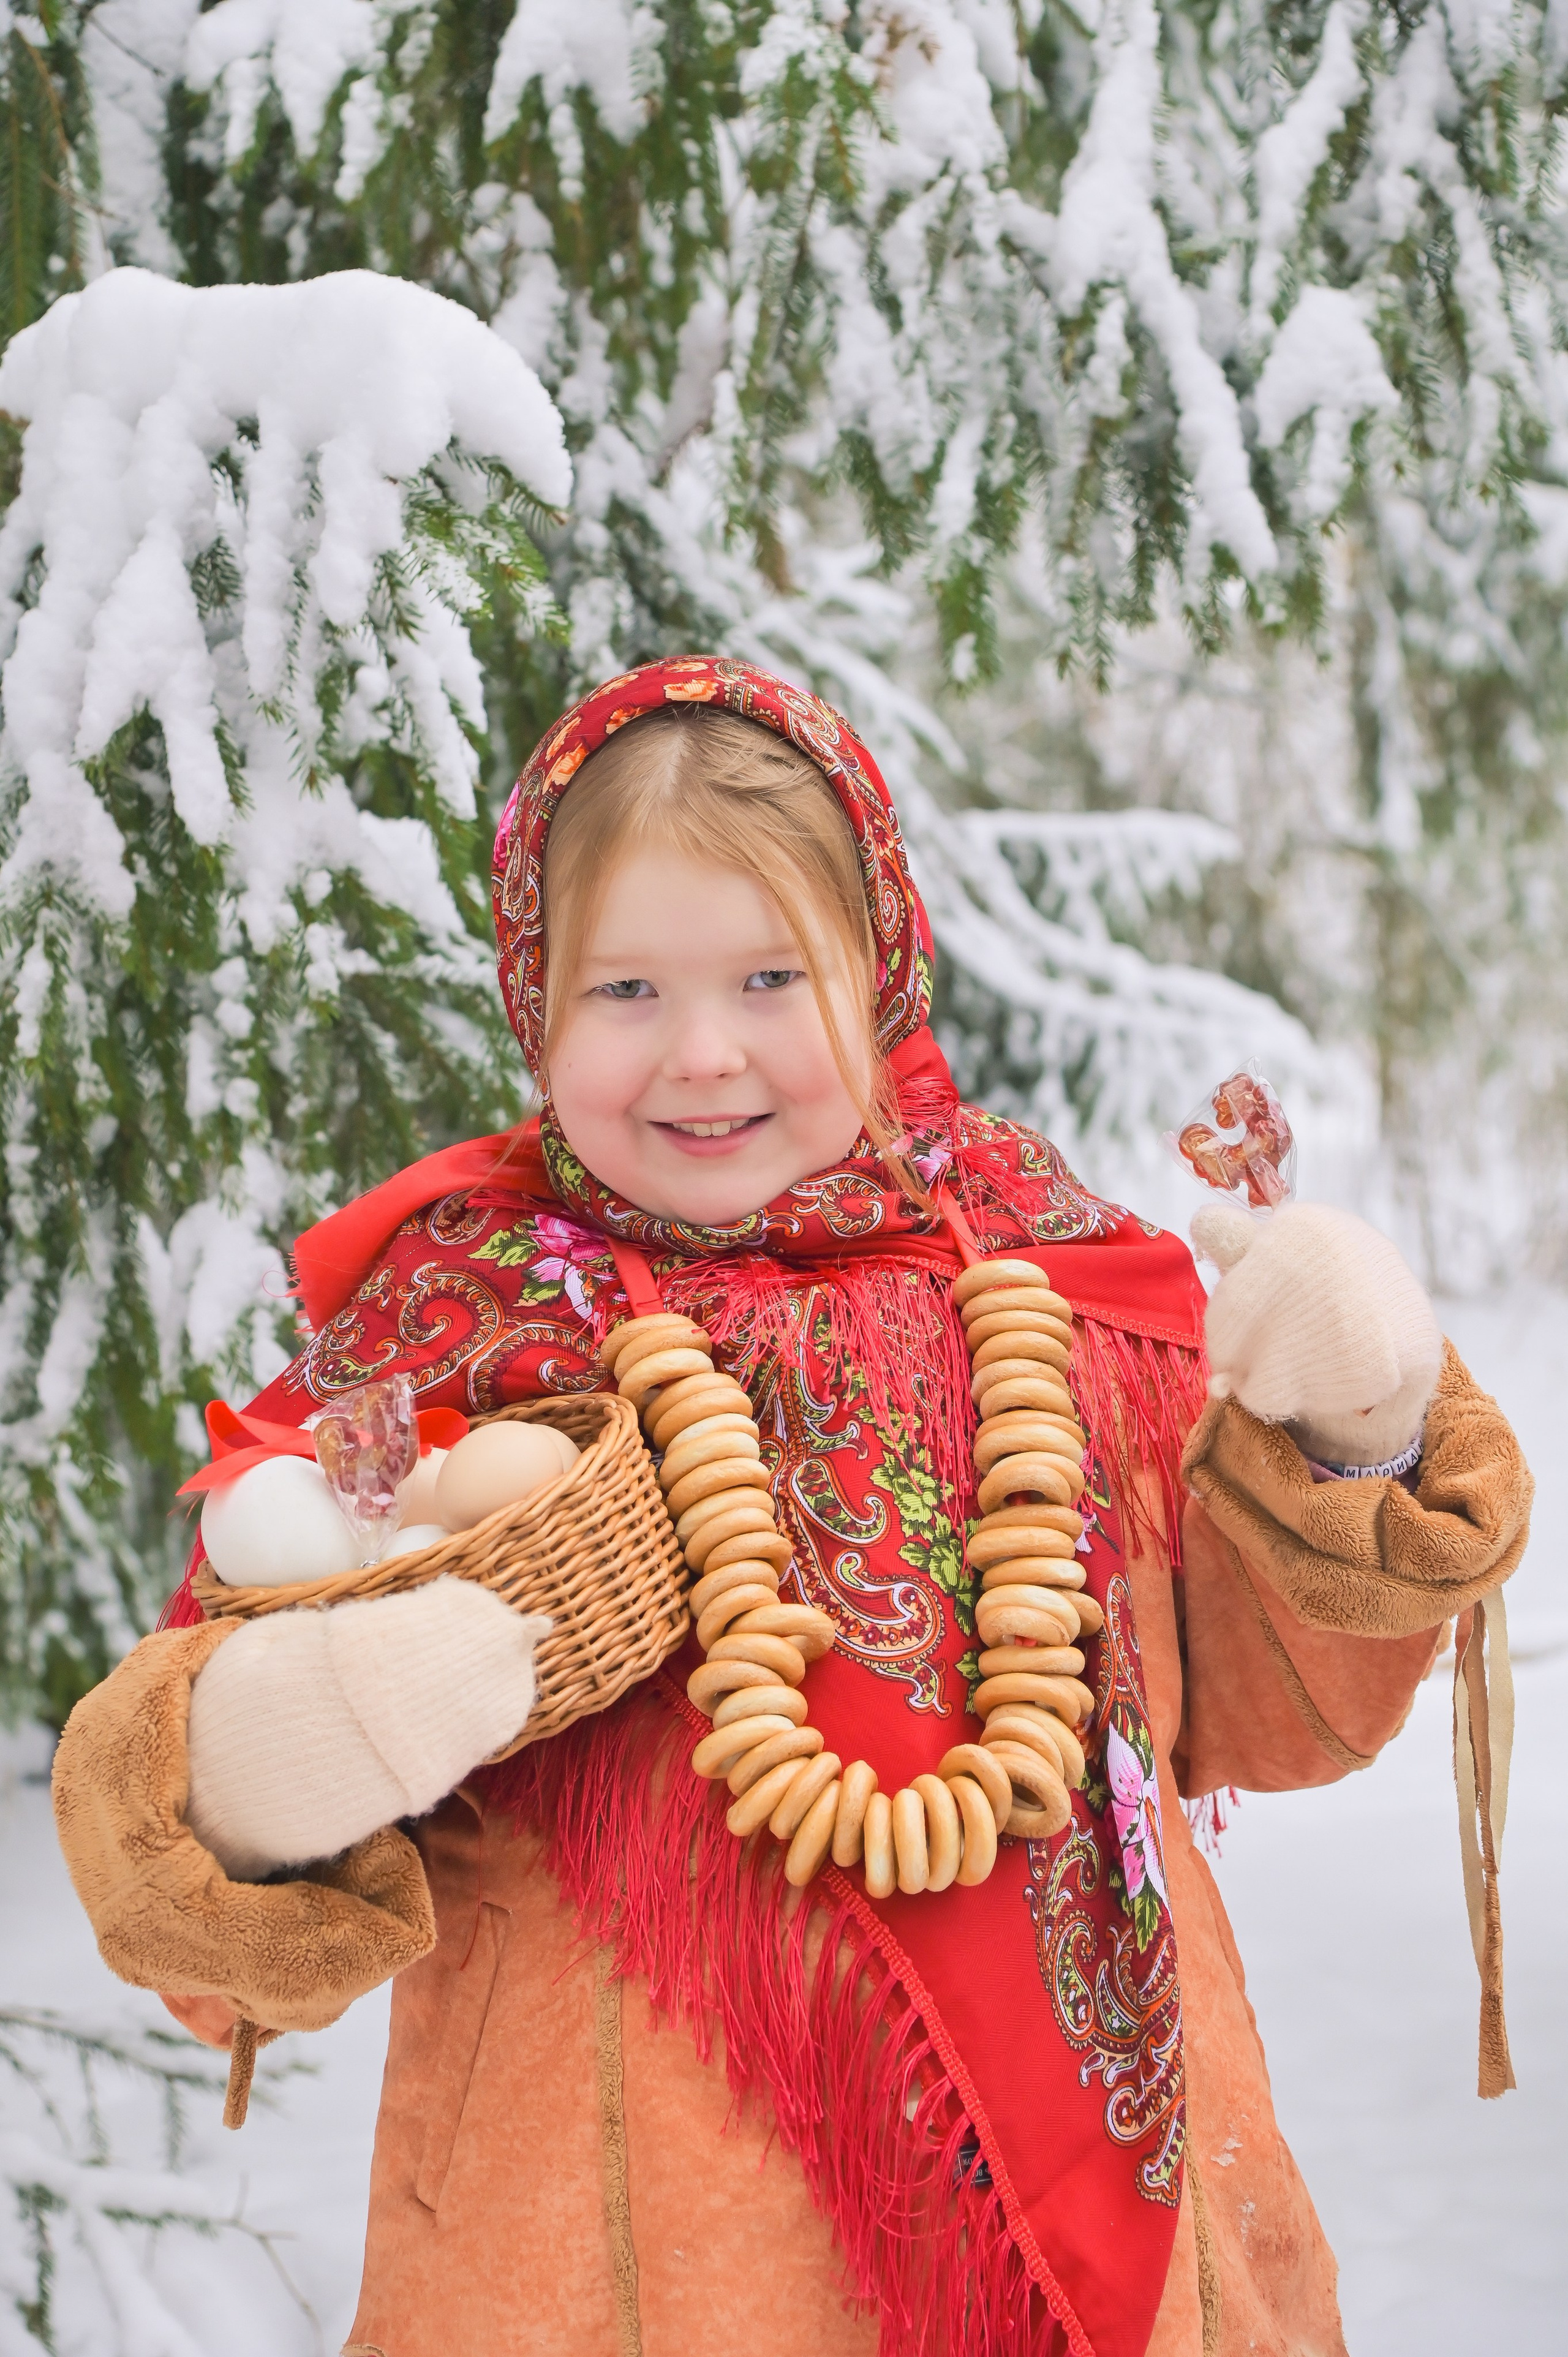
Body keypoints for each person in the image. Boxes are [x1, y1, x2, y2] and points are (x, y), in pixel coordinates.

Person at [52, 656, 1530, 2357]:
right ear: (533, 1002)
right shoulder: (439, 1349)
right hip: (591, 2272)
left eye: (771, 976)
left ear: (878, 971)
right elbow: (193, 1921)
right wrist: (270, 1763)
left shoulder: (1042, 1284)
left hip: (1112, 2244)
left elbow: (1271, 1714)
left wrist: (1348, 1423)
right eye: (623, 989)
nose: (701, 1054)